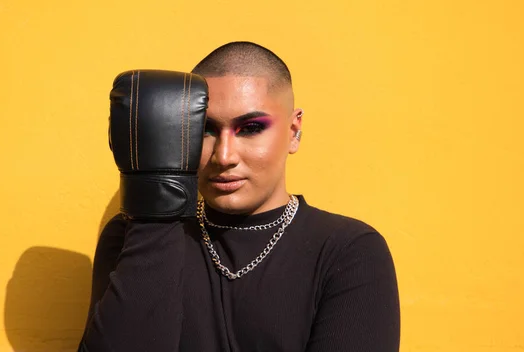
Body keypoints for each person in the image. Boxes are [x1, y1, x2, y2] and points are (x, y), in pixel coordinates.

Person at [78, 42, 400, 351]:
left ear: (293, 131)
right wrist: (154, 211)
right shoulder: (131, 236)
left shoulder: (348, 252)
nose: (224, 155)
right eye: (205, 129)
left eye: (250, 128)